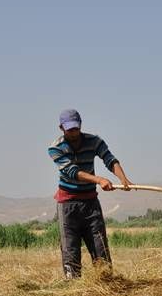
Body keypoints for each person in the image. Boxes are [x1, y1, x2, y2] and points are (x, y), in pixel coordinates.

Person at [47, 109, 132, 279]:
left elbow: (109, 159)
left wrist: (124, 179)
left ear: (80, 125)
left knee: (100, 247)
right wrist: (99, 180)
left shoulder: (94, 141)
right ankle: (73, 286)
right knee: (70, 250)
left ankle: (106, 282)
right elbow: (72, 171)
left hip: (90, 204)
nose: (74, 132)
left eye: (76, 128)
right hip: (68, 205)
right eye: (69, 129)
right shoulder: (56, 148)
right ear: (61, 128)